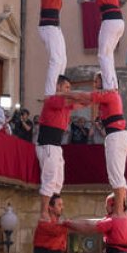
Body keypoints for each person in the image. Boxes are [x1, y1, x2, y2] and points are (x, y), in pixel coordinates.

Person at [36, 76, 88, 220]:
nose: (68, 91)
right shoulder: (53, 100)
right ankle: (44, 212)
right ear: (58, 87)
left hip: (56, 145)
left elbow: (82, 103)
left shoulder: (65, 103)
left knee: (58, 182)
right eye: (66, 87)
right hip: (47, 144)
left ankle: (53, 211)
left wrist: (95, 97)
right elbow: (74, 98)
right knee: (49, 179)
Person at [73, 0, 124, 90]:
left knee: (102, 55)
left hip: (110, 20)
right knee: (108, 55)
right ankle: (113, 85)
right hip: (118, 21)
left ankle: (108, 87)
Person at [39, 0, 83, 95]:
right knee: (56, 60)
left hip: (54, 26)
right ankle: (50, 93)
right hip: (48, 26)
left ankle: (59, 88)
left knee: (63, 59)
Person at [91, 73, 127, 212]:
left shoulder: (110, 95)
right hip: (116, 135)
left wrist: (65, 96)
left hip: (116, 136)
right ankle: (122, 208)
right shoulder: (106, 100)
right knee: (117, 175)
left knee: (116, 176)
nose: (94, 85)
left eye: (96, 81)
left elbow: (86, 98)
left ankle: (119, 212)